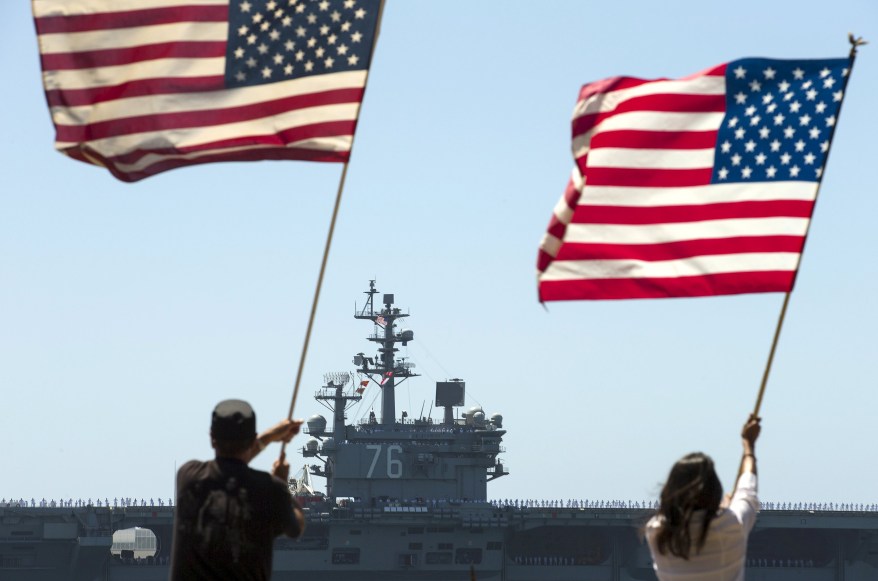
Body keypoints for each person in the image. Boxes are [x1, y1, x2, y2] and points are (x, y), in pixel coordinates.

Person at [170, 399, 306, 580]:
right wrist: (282, 484)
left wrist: (268, 437)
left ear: (211, 437)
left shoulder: (188, 476)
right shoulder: (271, 490)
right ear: (251, 440)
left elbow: (228, 468)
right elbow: (297, 527)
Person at [645, 415, 762, 581]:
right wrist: (749, 445)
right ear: (714, 490)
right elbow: (748, 489)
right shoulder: (731, 524)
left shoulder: (656, 530)